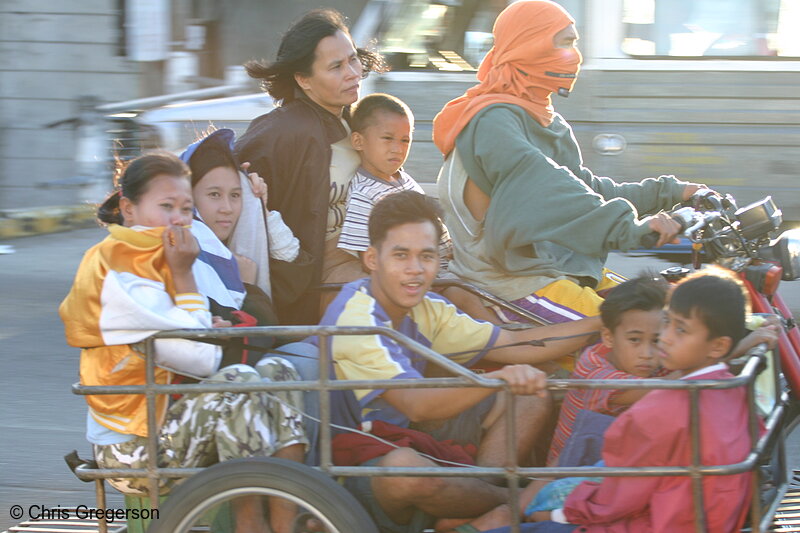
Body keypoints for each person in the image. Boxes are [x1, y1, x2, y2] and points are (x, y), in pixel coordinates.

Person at [320, 191, 602, 532]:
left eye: (426, 256)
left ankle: (479, 505)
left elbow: (513, 342)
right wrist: (498, 380)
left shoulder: (427, 308)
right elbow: (416, 405)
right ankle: (517, 505)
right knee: (405, 471)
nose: (415, 270)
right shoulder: (357, 318)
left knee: (528, 397)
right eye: (400, 256)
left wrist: (604, 319)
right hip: (348, 460)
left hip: (406, 432)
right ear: (371, 259)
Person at [58, 152, 307, 533]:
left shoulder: (156, 253)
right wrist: (187, 282)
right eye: (166, 206)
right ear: (128, 209)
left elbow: (193, 331)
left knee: (280, 371)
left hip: (168, 415)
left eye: (186, 208)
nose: (178, 218)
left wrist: (206, 321)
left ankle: (284, 520)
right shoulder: (117, 269)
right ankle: (249, 524)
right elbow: (201, 358)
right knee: (239, 382)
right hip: (132, 448)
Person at [433, 0, 712, 328]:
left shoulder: (543, 117)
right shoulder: (493, 120)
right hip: (510, 284)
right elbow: (544, 185)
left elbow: (585, 187)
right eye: (564, 42)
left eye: (574, 43)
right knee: (638, 335)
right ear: (529, 46)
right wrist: (629, 229)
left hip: (554, 267)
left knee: (671, 311)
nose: (575, 55)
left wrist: (671, 192)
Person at [457, 267, 762, 533]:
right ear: (608, 338)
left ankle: (510, 515)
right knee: (531, 511)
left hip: (615, 482)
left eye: (664, 334)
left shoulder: (661, 371)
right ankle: (505, 514)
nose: (651, 350)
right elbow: (666, 389)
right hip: (571, 472)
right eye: (635, 340)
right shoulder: (597, 368)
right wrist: (737, 347)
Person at [235, 8, 385, 325]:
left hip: (367, 266)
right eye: (336, 67)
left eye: (353, 59)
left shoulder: (354, 120)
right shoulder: (278, 134)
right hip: (315, 293)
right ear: (303, 79)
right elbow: (234, 209)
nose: (353, 72)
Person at [339, 92, 495, 322]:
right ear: (359, 141)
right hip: (424, 280)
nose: (397, 149)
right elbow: (368, 259)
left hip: (446, 267)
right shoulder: (364, 194)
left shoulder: (404, 180)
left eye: (405, 140)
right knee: (461, 294)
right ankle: (501, 333)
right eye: (387, 138)